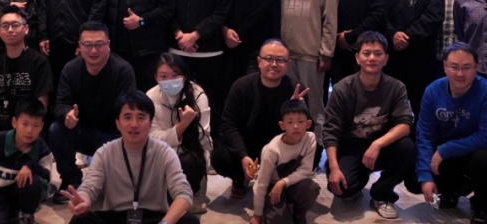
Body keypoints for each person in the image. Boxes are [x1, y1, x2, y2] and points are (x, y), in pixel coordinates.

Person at [59, 91, 198, 224]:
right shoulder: (104, 153)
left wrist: (165, 223)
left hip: (153, 218)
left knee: (189, 221)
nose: (134, 124)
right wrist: (83, 200)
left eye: (141, 117)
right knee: (81, 220)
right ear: (118, 123)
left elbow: (183, 193)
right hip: (115, 217)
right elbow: (90, 186)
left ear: (150, 123)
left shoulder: (165, 152)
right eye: (127, 117)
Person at [323, 31, 414, 220]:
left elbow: (405, 124)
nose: (372, 58)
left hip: (381, 146)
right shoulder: (342, 88)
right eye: (366, 53)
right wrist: (334, 167)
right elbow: (330, 131)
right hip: (350, 147)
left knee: (407, 147)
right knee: (343, 190)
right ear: (357, 58)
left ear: (386, 59)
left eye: (378, 53)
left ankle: (382, 194)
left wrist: (377, 144)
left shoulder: (396, 87)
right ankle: (357, 178)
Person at [414, 42, 487, 224]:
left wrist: (445, 149)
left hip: (474, 153)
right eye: (454, 67)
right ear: (445, 67)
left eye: (467, 67)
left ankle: (481, 206)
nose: (460, 74)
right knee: (412, 178)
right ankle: (451, 192)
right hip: (445, 157)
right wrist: (425, 176)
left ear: (476, 68)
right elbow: (424, 134)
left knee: (486, 160)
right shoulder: (432, 90)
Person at [49, 22, 137, 202]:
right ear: (80, 46)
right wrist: (67, 115)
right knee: (56, 129)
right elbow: (60, 104)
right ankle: (71, 181)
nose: (93, 50)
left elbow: (129, 110)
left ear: (108, 45)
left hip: (113, 135)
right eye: (88, 45)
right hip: (81, 131)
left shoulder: (123, 70)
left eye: (99, 44)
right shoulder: (70, 69)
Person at [213, 39, 305, 200]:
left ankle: (275, 180)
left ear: (288, 64)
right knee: (220, 157)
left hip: (280, 147)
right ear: (259, 61)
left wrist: (294, 112)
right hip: (248, 146)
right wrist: (242, 155)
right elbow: (228, 124)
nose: (274, 64)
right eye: (268, 59)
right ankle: (240, 179)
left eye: (280, 60)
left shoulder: (296, 89)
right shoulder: (241, 86)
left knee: (314, 152)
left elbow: (306, 131)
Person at [167, 0, 232, 134]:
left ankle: (209, 145)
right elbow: (165, 9)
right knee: (175, 102)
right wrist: (179, 34)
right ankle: (176, 143)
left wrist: (195, 35)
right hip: (177, 50)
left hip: (210, 51)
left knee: (210, 102)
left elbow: (221, 11)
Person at [278, 0, 337, 157]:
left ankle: (315, 152)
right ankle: (290, 153)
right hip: (284, 55)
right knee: (288, 106)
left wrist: (326, 52)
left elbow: (330, 19)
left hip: (312, 54)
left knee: (314, 107)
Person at [385, 0, 445, 114]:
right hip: (389, 54)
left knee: (421, 105)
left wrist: (408, 35)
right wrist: (393, 34)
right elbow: (378, 12)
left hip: (421, 54)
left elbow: (434, 16)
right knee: (390, 103)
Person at [146, 54, 212, 214]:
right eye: (163, 76)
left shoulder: (198, 95)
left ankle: (193, 194)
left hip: (191, 153)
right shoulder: (150, 97)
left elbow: (201, 138)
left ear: (184, 76)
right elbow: (153, 137)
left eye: (175, 75)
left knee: (187, 161)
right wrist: (183, 125)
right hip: (159, 153)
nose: (169, 80)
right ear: (156, 77)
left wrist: (172, 139)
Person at [251, 99, 320, 224]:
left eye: (300, 121)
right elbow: (262, 182)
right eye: (290, 122)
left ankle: (299, 211)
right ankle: (277, 207)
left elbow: (306, 170)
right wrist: (257, 214)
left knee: (311, 188)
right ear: (282, 125)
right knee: (278, 221)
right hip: (273, 186)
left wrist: (283, 182)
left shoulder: (310, 138)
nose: (296, 126)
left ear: (308, 124)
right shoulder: (271, 149)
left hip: (291, 183)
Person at [0, 6, 52, 132]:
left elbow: (42, 105)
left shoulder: (39, 62)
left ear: (26, 29)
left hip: (29, 128)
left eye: (15, 25)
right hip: (1, 127)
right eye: (5, 26)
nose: (10, 30)